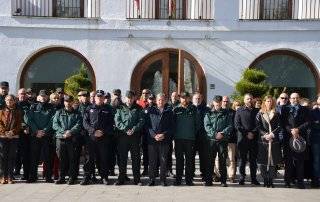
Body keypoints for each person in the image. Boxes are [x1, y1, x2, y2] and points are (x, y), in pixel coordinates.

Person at [81, 90, 114, 185]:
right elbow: (85, 122)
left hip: (104, 138)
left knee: (103, 158)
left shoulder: (108, 109)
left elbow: (111, 123)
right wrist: (93, 131)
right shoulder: (89, 108)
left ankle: (104, 177)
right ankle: (87, 177)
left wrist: (102, 131)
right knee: (89, 158)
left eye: (101, 97)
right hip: (91, 138)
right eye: (97, 97)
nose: (99, 98)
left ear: (104, 98)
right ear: (94, 98)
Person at [114, 90, 144, 185]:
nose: (130, 99)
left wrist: (134, 129)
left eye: (131, 98)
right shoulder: (120, 108)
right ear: (125, 98)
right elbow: (117, 121)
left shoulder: (139, 108)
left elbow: (141, 120)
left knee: (136, 159)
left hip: (135, 137)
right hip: (123, 137)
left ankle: (137, 179)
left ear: (134, 98)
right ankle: (121, 178)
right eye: (128, 98)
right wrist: (125, 129)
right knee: (122, 159)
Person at [25, 90, 55, 183]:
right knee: (34, 157)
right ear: (38, 97)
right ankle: (33, 176)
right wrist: (36, 131)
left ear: (47, 97)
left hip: (46, 136)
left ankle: (48, 177)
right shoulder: (33, 106)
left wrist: (44, 131)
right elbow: (28, 119)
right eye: (41, 96)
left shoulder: (51, 107)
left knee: (47, 157)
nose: (43, 97)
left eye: (45, 96)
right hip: (35, 135)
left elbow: (53, 120)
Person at [204, 95, 232, 187]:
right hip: (211, 140)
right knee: (210, 161)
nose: (218, 106)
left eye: (219, 105)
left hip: (222, 140)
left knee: (222, 161)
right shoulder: (208, 113)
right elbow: (207, 126)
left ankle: (223, 181)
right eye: (216, 105)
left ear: (221, 103)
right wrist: (215, 134)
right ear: (213, 103)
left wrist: (222, 133)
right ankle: (208, 180)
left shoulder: (227, 113)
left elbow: (230, 125)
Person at [282, 92, 310, 189]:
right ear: (290, 99)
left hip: (300, 139)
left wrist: (298, 130)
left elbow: (308, 122)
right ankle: (287, 181)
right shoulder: (285, 109)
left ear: (299, 99)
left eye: (296, 98)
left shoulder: (305, 109)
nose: (295, 100)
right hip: (288, 138)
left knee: (300, 162)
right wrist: (291, 130)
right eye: (293, 98)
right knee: (288, 162)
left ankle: (300, 182)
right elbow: (283, 123)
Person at [53, 95, 82, 185]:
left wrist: (70, 132)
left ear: (72, 102)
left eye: (69, 101)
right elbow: (55, 124)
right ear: (64, 102)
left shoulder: (77, 113)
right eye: (66, 101)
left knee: (72, 159)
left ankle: (71, 177)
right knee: (61, 159)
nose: (68, 103)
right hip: (61, 138)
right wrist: (64, 132)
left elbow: (78, 125)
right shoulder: (58, 112)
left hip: (72, 139)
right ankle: (61, 177)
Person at [145, 93, 173, 186]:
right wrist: (154, 135)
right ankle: (152, 179)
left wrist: (163, 135)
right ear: (156, 101)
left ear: (165, 101)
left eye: (162, 100)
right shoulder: (150, 111)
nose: (161, 101)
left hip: (164, 140)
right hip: (152, 141)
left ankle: (162, 180)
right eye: (159, 100)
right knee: (152, 161)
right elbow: (147, 125)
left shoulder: (169, 111)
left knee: (163, 161)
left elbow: (171, 126)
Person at [256, 95, 282, 188]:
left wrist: (272, 134)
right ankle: (265, 179)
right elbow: (258, 126)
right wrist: (265, 134)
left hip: (273, 140)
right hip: (263, 140)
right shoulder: (260, 113)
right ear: (264, 102)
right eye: (267, 101)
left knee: (272, 162)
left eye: (270, 101)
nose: (269, 103)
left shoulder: (277, 113)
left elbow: (279, 126)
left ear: (273, 102)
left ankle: (271, 180)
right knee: (263, 162)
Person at [173, 92, 199, 186]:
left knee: (189, 161)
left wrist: (192, 133)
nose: (184, 99)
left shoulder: (194, 109)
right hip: (178, 139)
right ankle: (178, 180)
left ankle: (189, 180)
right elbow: (173, 124)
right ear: (180, 99)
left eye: (186, 98)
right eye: (182, 98)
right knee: (179, 160)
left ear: (189, 98)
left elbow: (197, 124)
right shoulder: (176, 109)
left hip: (190, 139)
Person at [235, 93, 260, 185]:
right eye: (247, 99)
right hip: (243, 139)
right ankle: (242, 177)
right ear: (244, 100)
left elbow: (259, 124)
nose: (249, 100)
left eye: (250, 99)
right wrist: (246, 133)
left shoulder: (257, 111)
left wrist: (252, 133)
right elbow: (237, 125)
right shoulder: (239, 110)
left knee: (253, 160)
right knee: (242, 160)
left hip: (254, 139)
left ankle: (253, 178)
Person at [0, 95, 22, 184]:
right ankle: (2, 177)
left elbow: (19, 124)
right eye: (8, 100)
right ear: (5, 101)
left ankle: (10, 177)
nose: (9, 101)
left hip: (13, 137)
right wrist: (5, 132)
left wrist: (12, 132)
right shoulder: (1, 111)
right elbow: (0, 123)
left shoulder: (18, 112)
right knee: (2, 157)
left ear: (14, 101)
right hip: (2, 137)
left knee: (11, 157)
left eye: (11, 100)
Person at [14, 88, 31, 180]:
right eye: (21, 94)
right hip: (16, 132)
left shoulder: (30, 105)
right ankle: (16, 171)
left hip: (26, 134)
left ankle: (26, 174)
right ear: (18, 95)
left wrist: (27, 127)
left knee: (25, 154)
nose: (23, 95)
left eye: (24, 94)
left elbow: (31, 118)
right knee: (16, 154)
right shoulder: (14, 105)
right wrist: (23, 126)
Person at [192, 92, 209, 179]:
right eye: (196, 98)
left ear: (202, 100)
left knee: (203, 156)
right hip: (192, 136)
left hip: (203, 136)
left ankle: (204, 173)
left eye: (199, 99)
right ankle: (191, 172)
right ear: (192, 99)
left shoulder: (206, 109)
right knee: (191, 156)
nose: (197, 100)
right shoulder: (190, 109)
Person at [136, 89, 151, 176]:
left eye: (147, 93)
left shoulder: (152, 103)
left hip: (149, 131)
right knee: (139, 151)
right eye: (143, 93)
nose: (145, 94)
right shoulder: (138, 103)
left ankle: (147, 169)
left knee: (147, 151)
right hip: (140, 131)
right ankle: (138, 170)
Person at [223, 96, 238, 183]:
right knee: (218, 158)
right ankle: (218, 175)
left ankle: (231, 176)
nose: (225, 103)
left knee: (231, 159)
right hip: (220, 139)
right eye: (224, 101)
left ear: (230, 102)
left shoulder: (234, 112)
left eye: (227, 101)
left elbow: (235, 125)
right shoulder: (219, 111)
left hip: (231, 139)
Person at [166, 91, 180, 177]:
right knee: (168, 152)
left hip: (178, 132)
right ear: (171, 97)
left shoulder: (180, 105)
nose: (174, 97)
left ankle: (179, 172)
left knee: (178, 153)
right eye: (173, 96)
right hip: (169, 132)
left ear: (178, 97)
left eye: (175, 96)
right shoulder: (167, 105)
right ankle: (168, 170)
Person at [310, 94, 320, 188]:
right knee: (316, 161)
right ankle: (316, 180)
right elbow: (312, 125)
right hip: (316, 140)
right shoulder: (313, 112)